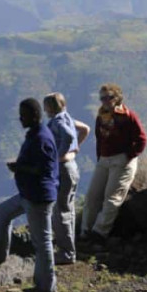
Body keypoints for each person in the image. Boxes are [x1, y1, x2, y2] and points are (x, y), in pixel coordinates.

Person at [0, 98, 59, 292]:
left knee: (42, 242)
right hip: (28, 194)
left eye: (23, 115)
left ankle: (46, 287)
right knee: (3, 211)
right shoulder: (35, 135)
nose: (20, 118)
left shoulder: (41, 138)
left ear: (34, 116)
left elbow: (42, 169)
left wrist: (19, 168)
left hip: (38, 197)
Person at [81, 83, 147, 243]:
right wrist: (100, 158)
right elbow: (99, 139)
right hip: (104, 160)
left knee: (112, 198)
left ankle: (99, 233)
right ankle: (85, 232)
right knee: (91, 197)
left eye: (109, 97)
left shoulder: (128, 116)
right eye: (102, 98)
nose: (105, 101)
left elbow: (141, 139)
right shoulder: (100, 116)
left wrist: (128, 156)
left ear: (117, 98)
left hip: (121, 160)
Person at [43, 93, 90, 265]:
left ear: (50, 107)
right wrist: (74, 150)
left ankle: (66, 253)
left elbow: (69, 136)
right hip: (72, 168)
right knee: (68, 209)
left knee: (60, 211)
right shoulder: (67, 117)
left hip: (62, 169)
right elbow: (85, 129)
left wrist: (60, 155)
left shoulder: (58, 122)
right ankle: (69, 250)